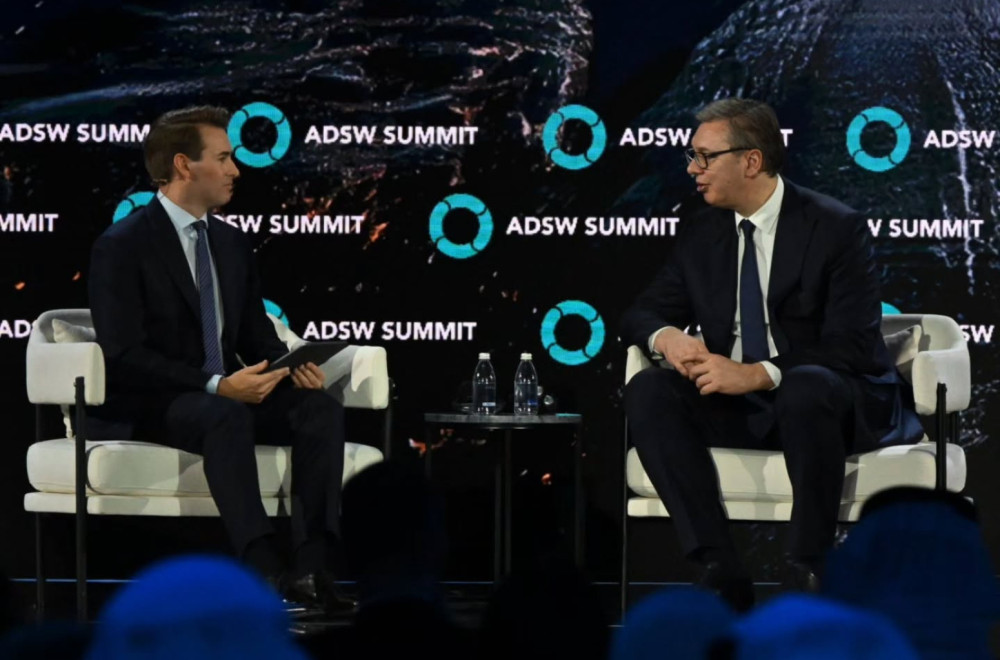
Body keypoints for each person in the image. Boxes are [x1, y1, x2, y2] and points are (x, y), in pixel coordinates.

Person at [620, 98, 923, 611]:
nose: (693, 169)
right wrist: (667, 337)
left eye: (705, 157)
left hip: (829, 405)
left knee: (805, 385)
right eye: (692, 157)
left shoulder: (835, 226)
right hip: (740, 405)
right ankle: (718, 568)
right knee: (649, 387)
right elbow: (643, 312)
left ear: (751, 161)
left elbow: (850, 344)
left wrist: (757, 374)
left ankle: (808, 566)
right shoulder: (702, 230)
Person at [88, 106, 353, 614]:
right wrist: (215, 385)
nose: (236, 170)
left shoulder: (230, 242)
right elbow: (123, 355)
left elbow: (255, 333)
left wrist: (290, 366)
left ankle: (312, 571)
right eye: (224, 158)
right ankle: (262, 569)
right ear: (184, 165)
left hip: (224, 395)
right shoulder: (122, 245)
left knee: (318, 408)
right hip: (156, 401)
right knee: (224, 413)